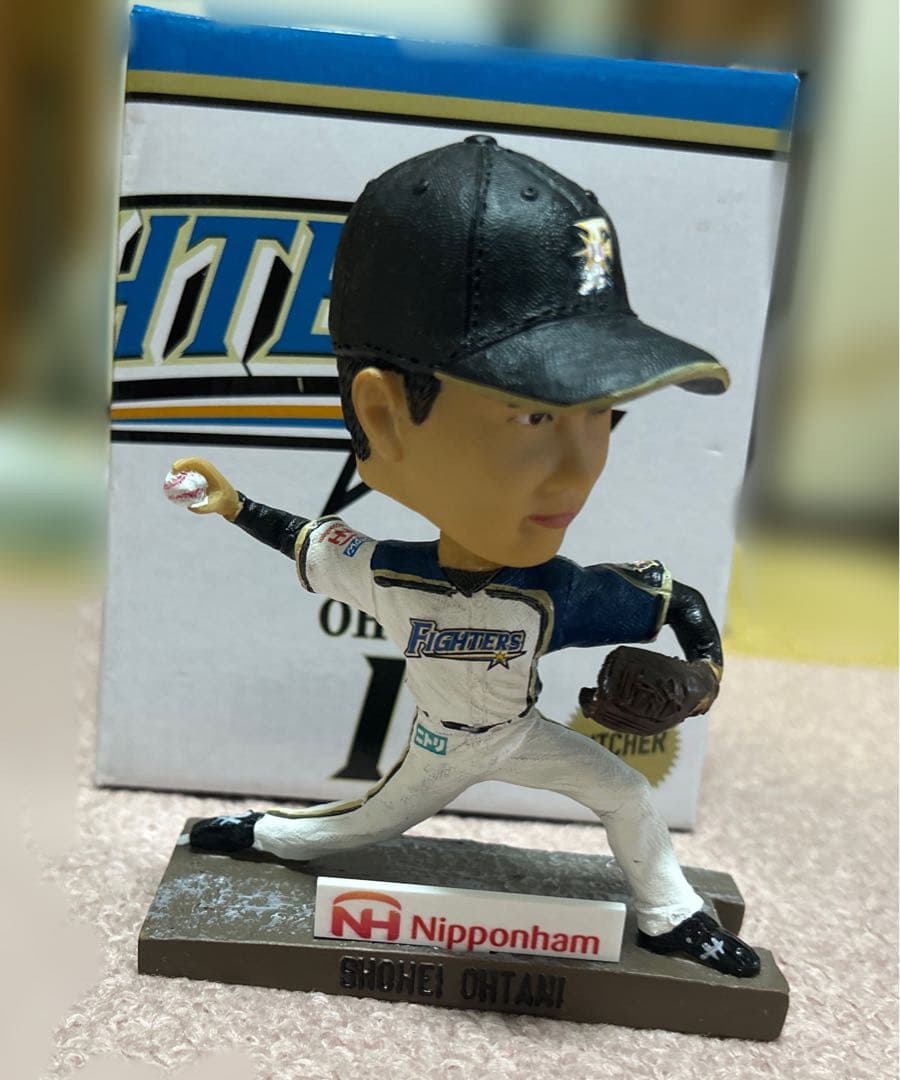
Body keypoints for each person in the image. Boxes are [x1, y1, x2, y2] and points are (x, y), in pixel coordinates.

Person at [169, 136, 759, 978]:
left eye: (601, 414)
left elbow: (681, 603)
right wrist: (232, 506)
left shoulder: (555, 593)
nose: (579, 469)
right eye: (533, 416)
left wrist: (704, 673)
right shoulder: (391, 575)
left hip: (518, 736)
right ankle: (256, 831)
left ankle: (671, 919)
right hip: (439, 746)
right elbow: (304, 540)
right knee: (356, 826)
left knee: (627, 793)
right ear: (382, 416)